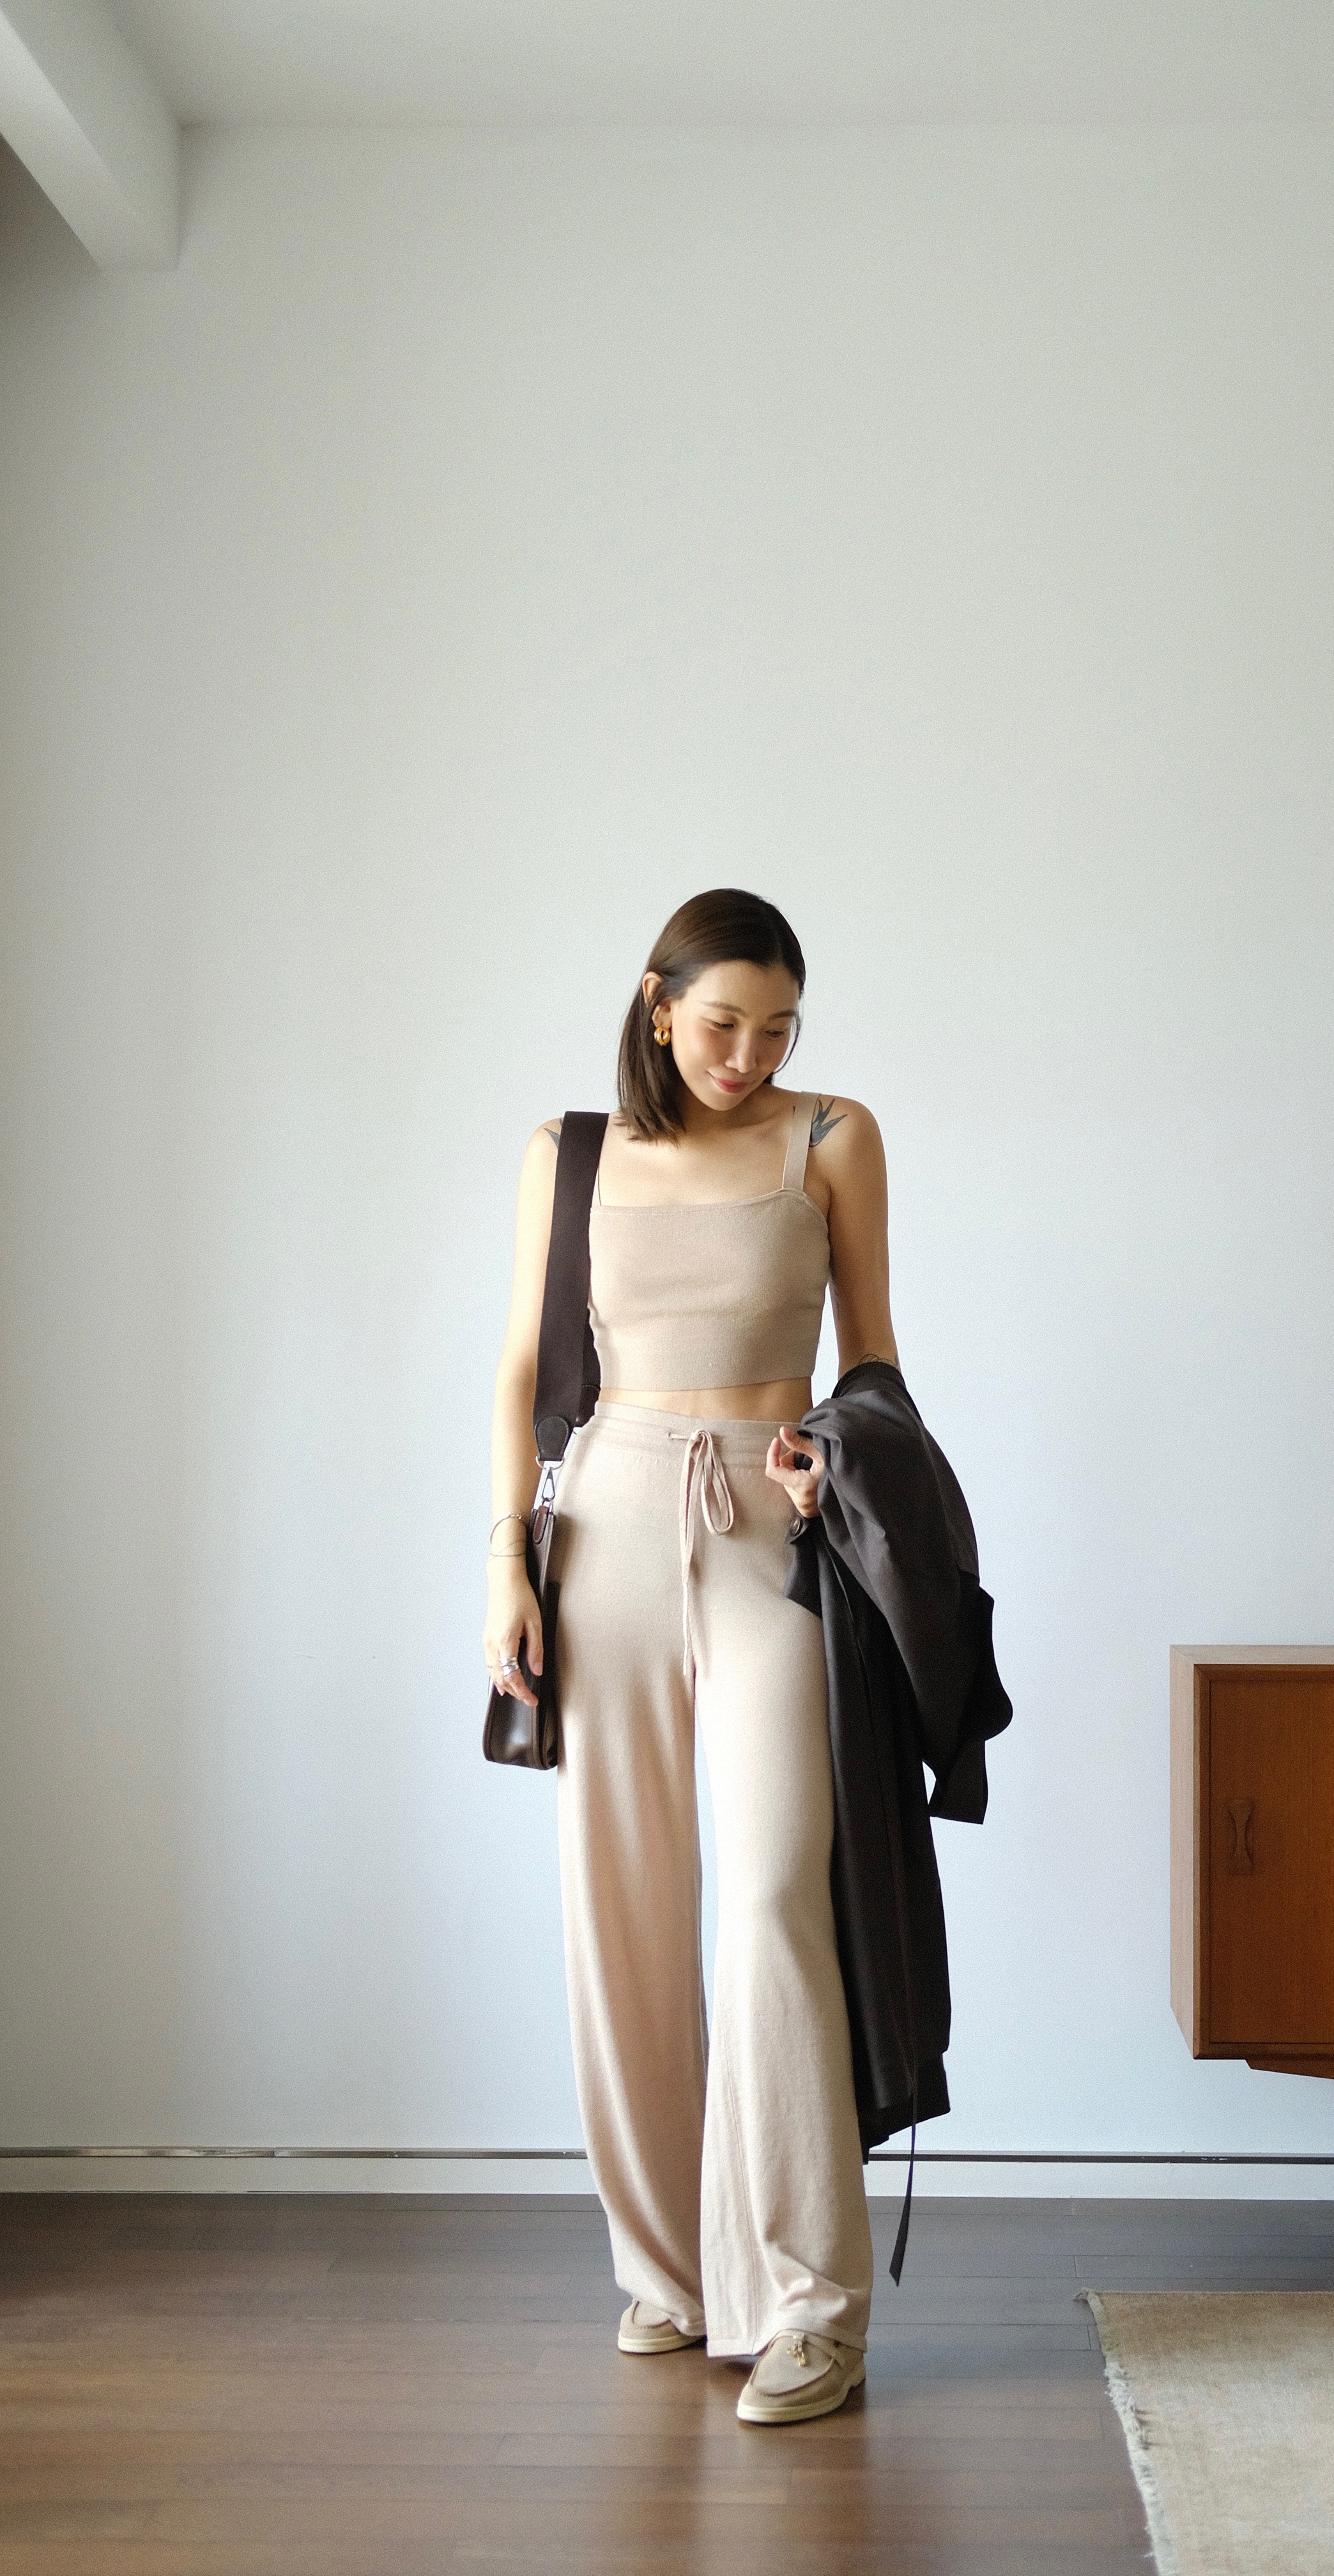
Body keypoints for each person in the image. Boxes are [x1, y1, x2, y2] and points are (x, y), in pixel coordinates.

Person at [483, 887, 893, 2427]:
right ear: (659, 1007)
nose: (748, 1056)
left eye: (777, 1029)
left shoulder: (833, 1137)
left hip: (770, 1528)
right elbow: (522, 1369)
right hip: (607, 1522)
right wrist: (504, 1564)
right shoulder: (570, 1152)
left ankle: (809, 2306)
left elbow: (876, 1362)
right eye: (723, 1023)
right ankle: (668, 2271)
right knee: (625, 1913)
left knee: (776, 1892)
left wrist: (834, 1460)